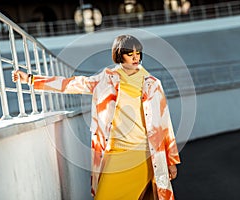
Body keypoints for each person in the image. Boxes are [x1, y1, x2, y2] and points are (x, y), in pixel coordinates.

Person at [12, 34, 180, 200]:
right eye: (130, 54)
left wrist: (171, 160)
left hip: (141, 153)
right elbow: (70, 84)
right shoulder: (105, 79)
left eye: (138, 53)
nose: (135, 58)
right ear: (119, 55)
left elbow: (165, 124)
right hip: (114, 152)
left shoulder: (152, 84)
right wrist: (31, 79)